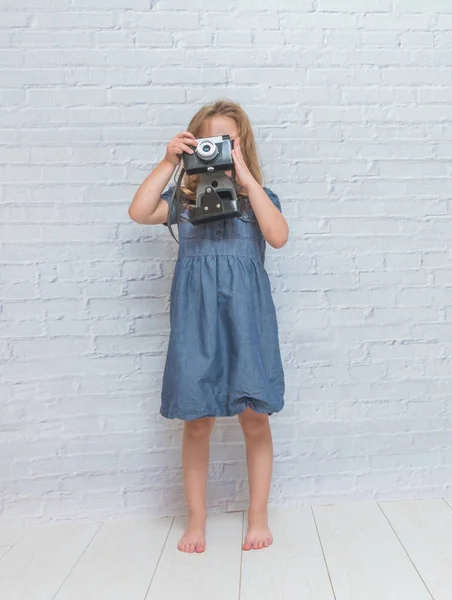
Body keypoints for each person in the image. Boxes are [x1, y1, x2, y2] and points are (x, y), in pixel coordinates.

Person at [128, 100, 288, 553]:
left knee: (254, 416)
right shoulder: (182, 201)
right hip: (196, 318)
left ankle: (258, 515)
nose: (217, 149)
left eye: (228, 141)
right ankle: (196, 521)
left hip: (248, 318)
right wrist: (168, 162)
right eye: (209, 141)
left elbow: (277, 236)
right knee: (196, 419)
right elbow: (139, 212)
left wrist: (246, 178)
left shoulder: (258, 198)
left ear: (242, 145)